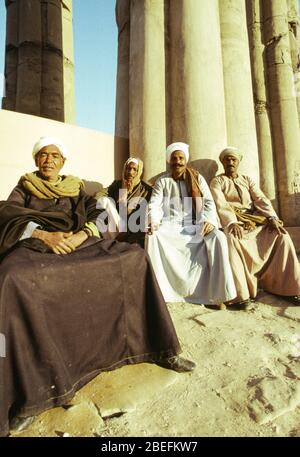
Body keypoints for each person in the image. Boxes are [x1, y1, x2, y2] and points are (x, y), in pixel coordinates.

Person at [0, 137, 195, 437]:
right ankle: (34, 395)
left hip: (77, 243)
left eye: (55, 155)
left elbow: (96, 213)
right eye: (43, 155)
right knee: (14, 279)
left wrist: (81, 235)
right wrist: (43, 236)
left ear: (63, 162)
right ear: (36, 160)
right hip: (37, 246)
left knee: (134, 258)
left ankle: (160, 347)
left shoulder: (75, 188)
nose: (49, 160)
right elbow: (8, 217)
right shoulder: (24, 187)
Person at [146, 142, 237, 307]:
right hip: (170, 226)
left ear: (186, 160)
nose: (178, 162)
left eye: (181, 158)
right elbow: (154, 204)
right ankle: (160, 293)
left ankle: (219, 295)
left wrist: (209, 220)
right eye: (174, 158)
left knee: (218, 237)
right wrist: (153, 221)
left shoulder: (197, 178)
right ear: (169, 161)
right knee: (153, 236)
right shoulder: (162, 181)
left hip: (196, 224)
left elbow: (208, 202)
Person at [210, 146, 300, 308]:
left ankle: (288, 288)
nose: (230, 162)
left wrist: (271, 217)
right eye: (227, 159)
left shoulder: (247, 180)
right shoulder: (218, 181)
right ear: (222, 162)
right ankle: (240, 295)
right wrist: (232, 222)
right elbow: (220, 204)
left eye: (233, 159)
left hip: (255, 220)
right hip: (235, 221)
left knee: (281, 236)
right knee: (231, 240)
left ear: (238, 162)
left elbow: (261, 199)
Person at [96, 157, 152, 246]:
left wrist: (127, 232)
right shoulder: (117, 184)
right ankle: (112, 241)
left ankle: (114, 242)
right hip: (115, 226)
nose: (130, 172)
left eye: (134, 169)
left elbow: (142, 218)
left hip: (133, 230)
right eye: (128, 168)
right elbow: (99, 195)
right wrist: (123, 190)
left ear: (139, 172)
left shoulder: (146, 190)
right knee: (104, 201)